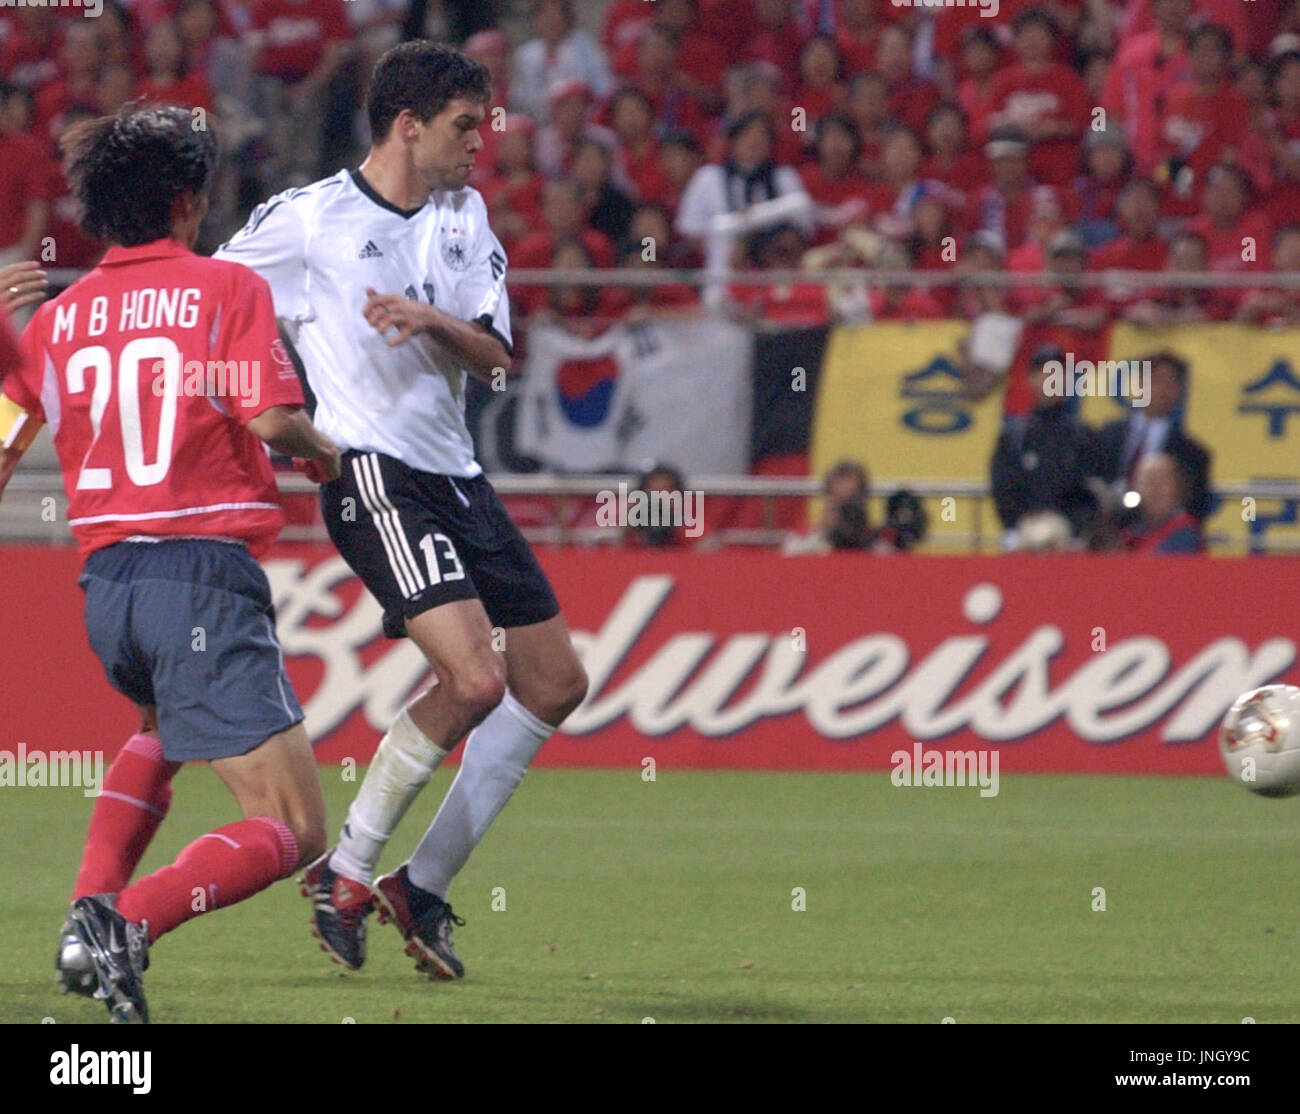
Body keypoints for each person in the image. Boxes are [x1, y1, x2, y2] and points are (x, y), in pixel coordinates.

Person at [216, 41, 589, 981]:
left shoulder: (466, 221)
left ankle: (418, 887)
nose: (480, 145)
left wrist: (431, 321)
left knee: (552, 683)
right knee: (474, 682)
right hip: (372, 474)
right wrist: (282, 420)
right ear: (408, 125)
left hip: (457, 477)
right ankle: (345, 871)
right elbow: (212, 304)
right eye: (466, 126)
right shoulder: (309, 220)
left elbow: (498, 354)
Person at [0, 104, 340, 1023]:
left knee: (158, 727)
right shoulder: (224, 290)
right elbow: (268, 418)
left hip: (107, 588)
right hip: (199, 573)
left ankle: (86, 911)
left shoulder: (58, 321)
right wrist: (326, 453)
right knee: (299, 828)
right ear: (188, 202)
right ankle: (127, 923)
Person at [1093, 351, 1213, 521]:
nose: (1163, 389)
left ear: (1180, 391)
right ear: (1140, 384)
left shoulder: (1192, 454)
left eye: (1171, 382)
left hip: (1158, 532)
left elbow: (1195, 509)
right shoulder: (1108, 435)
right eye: (1156, 379)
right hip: (1108, 526)